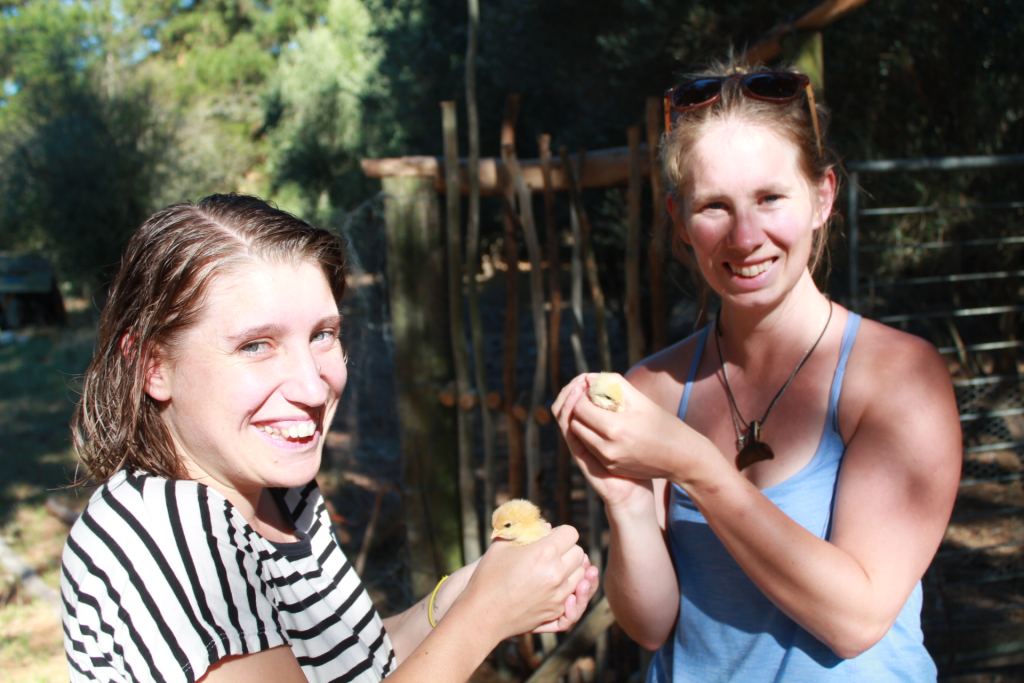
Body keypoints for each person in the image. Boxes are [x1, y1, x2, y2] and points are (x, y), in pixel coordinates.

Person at [62, 193, 599, 683]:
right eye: (256, 345)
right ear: (152, 366)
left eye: (323, 335)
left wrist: (463, 595)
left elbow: (345, 661)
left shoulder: (278, 497)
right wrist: (485, 617)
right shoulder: (170, 539)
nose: (315, 386)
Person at [554, 61, 961, 682]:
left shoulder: (898, 377)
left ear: (823, 197)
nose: (745, 237)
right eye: (714, 206)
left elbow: (856, 620)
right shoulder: (652, 390)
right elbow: (652, 625)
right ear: (679, 220)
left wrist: (696, 466)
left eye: (770, 198)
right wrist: (626, 503)